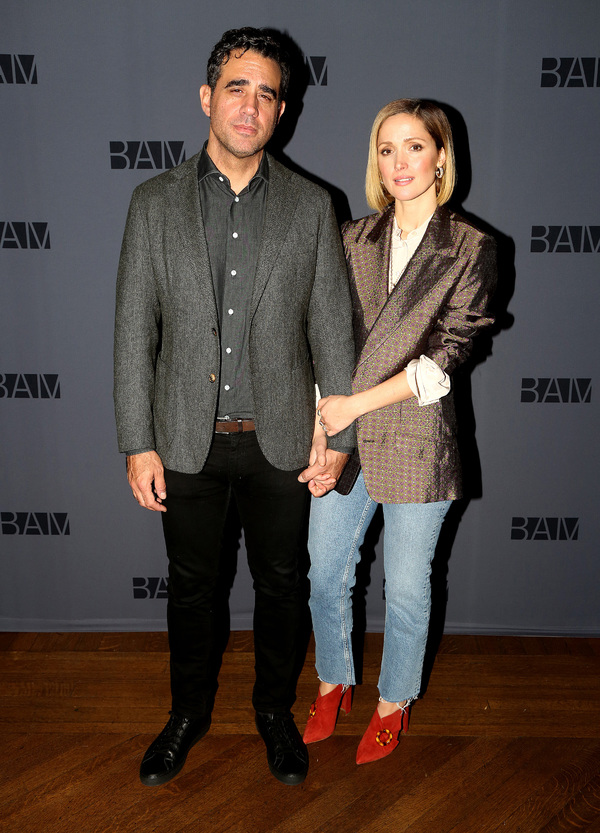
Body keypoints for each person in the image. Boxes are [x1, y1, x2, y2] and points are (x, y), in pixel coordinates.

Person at [113, 27, 355, 787]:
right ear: (207, 97)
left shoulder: (314, 206)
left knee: (282, 584)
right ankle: (186, 714)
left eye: (268, 93)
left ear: (281, 111)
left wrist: (340, 435)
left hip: (283, 439)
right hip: (183, 440)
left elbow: (330, 329)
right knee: (191, 589)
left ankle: (276, 712)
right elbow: (132, 329)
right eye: (238, 87)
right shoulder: (152, 202)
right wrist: (136, 439)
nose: (251, 105)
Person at [302, 99, 497, 764]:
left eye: (415, 147)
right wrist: (322, 435)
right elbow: (325, 346)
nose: (400, 162)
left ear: (441, 157)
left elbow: (445, 360)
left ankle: (393, 700)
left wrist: (353, 409)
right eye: (387, 149)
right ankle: (334, 679)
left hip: (417, 441)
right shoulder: (352, 238)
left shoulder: (470, 247)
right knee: (326, 576)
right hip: (347, 439)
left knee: (408, 587)